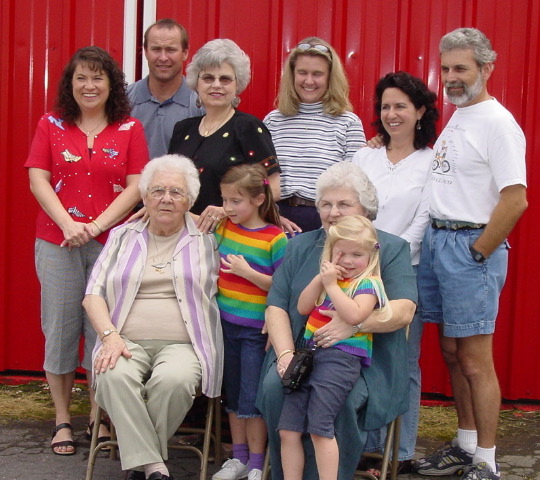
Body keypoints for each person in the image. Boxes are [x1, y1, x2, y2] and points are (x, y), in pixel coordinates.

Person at [256, 161, 418, 480]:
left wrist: (356, 323)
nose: (333, 213)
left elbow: (404, 310)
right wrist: (286, 355)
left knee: (336, 399)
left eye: (343, 204)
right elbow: (276, 306)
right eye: (325, 204)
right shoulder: (301, 245)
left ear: (366, 208)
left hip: (360, 359)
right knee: (277, 387)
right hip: (301, 351)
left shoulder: (388, 248)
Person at [414, 28, 527, 480]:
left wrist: (478, 253)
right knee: (452, 350)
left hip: (469, 247)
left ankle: (487, 461)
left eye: (461, 68)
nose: (451, 78)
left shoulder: (498, 124)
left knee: (476, 359)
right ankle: (464, 445)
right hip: (441, 241)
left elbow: (516, 199)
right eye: (445, 69)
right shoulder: (460, 116)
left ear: (486, 68)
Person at [25, 46, 149, 456]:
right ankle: (63, 419)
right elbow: (38, 179)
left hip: (111, 244)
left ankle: (98, 416)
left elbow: (136, 186)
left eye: (98, 77)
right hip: (57, 241)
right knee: (60, 328)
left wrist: (96, 225)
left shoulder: (129, 128)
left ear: (111, 84)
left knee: (104, 330)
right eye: (81, 77)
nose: (89, 85)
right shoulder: (51, 124)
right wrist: (68, 224)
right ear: (70, 83)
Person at [83, 154, 223, 480]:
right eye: (157, 191)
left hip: (186, 344)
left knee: (174, 381)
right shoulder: (123, 236)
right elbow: (93, 295)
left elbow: (251, 215)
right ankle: (154, 467)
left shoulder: (209, 237)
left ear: (191, 199)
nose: (166, 199)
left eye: (176, 192)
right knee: (113, 376)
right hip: (124, 340)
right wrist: (110, 337)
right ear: (144, 197)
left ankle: (141, 463)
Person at [352, 71, 439, 475]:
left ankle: (399, 451)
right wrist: (364, 259)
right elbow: (351, 209)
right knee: (361, 357)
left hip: (406, 271)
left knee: (403, 361)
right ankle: (364, 447)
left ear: (420, 111)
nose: (392, 114)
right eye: (385, 106)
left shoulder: (432, 161)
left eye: (401, 105)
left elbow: (423, 219)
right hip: (357, 272)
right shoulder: (364, 156)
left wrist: (389, 260)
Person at [279, 215, 391, 480]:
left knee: (320, 427)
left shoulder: (368, 283)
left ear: (371, 256)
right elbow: (303, 307)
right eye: (341, 253)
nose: (349, 261)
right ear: (331, 253)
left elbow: (355, 315)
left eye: (357, 254)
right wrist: (321, 279)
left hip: (341, 359)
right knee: (288, 430)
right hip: (309, 354)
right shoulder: (327, 279)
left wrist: (332, 286)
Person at [212, 164, 287, 480]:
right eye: (225, 200)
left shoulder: (275, 238)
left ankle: (257, 463)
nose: (229, 208)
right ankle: (238, 458)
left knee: (251, 397)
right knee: (232, 394)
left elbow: (283, 287)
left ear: (258, 199)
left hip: (255, 330)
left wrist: (249, 274)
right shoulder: (224, 229)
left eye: (235, 201)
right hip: (223, 327)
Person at [168, 38, 281, 233]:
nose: (216, 85)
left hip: (228, 234)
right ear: (196, 84)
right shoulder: (182, 129)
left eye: (225, 79)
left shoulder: (248, 128)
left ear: (237, 85)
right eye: (208, 78)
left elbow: (273, 188)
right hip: (180, 231)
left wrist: (226, 210)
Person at [263, 37, 366, 235]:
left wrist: (330, 227)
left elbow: (354, 185)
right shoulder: (272, 121)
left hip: (325, 222)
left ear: (330, 77)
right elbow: (261, 180)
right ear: (292, 75)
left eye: (317, 74)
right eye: (302, 72)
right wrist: (271, 216)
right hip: (276, 221)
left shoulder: (348, 123)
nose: (308, 81)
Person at [128, 18, 203, 159]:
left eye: (170, 50)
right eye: (156, 49)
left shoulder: (201, 104)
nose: (163, 57)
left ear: (185, 53)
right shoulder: (124, 101)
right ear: (145, 52)